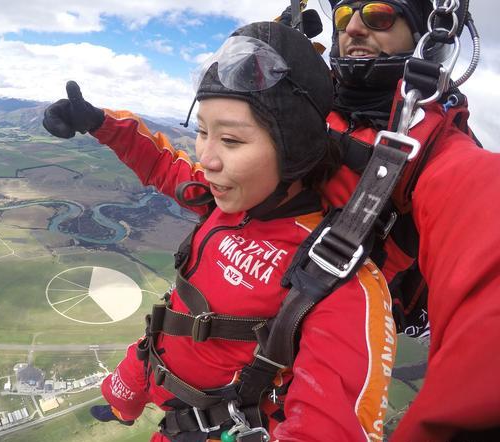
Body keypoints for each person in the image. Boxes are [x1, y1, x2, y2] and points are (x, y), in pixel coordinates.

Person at [43, 22, 396, 441]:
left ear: (295, 149)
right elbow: (163, 166)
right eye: (203, 133)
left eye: (230, 140)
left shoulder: (334, 278)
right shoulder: (223, 201)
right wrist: (100, 123)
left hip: (209, 428)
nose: (207, 158)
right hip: (149, 371)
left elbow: (331, 424)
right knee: (120, 400)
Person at [322, 1, 500, 441]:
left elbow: (483, 209)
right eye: (344, 17)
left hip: (332, 338)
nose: (356, 27)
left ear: (424, 34)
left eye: (380, 14)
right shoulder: (299, 107)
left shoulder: (438, 152)